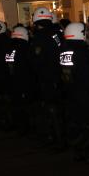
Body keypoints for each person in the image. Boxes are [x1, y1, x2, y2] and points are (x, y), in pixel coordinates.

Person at [59, 23, 89, 163]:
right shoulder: (83, 53)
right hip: (85, 93)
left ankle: (78, 151)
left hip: (70, 92)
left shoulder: (64, 51)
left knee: (75, 123)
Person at [29, 8, 64, 149]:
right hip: (59, 77)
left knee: (51, 109)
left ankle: (56, 138)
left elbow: (35, 61)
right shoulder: (57, 34)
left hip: (47, 77)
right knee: (60, 108)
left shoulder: (40, 37)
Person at [4, 25, 34, 134]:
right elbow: (30, 65)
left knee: (15, 104)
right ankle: (26, 127)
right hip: (24, 81)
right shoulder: (25, 48)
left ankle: (15, 124)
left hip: (11, 81)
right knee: (25, 105)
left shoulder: (9, 48)